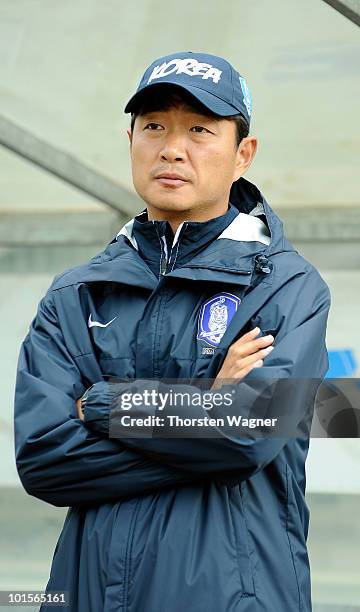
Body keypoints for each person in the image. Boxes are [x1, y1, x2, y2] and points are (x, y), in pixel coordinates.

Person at [14, 51, 331, 611]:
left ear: (243, 155)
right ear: (130, 139)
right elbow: (44, 458)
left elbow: (251, 430)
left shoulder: (286, 285)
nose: (172, 148)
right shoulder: (76, 293)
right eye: (154, 125)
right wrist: (203, 407)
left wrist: (108, 407)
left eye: (200, 130)